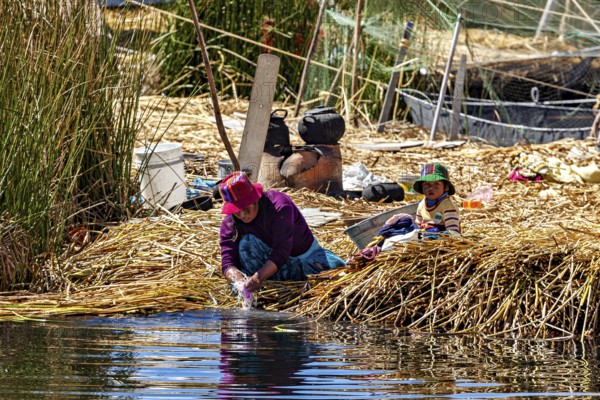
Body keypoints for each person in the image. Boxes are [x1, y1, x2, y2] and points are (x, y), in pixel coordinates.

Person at [218, 171, 346, 292]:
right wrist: (239, 280)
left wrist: (258, 277)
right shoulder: (230, 223)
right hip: (266, 266)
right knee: (246, 243)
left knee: (335, 271)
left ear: (255, 199)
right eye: (236, 211)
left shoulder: (279, 206)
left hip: (302, 259)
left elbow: (281, 251)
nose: (243, 215)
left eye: (246, 208)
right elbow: (228, 262)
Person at [412, 163, 461, 234]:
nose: (430, 188)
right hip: (425, 234)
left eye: (436, 184)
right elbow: (418, 223)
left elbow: (453, 231)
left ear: (446, 187)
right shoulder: (422, 204)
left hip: (440, 237)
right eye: (426, 184)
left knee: (434, 231)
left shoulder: (447, 206)